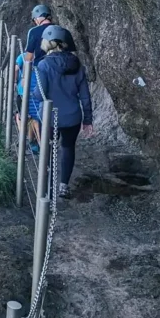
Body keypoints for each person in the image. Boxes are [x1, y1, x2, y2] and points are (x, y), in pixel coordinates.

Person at [31, 25, 94, 199]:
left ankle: (48, 185)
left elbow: (40, 93)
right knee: (68, 148)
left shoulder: (44, 65)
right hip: (73, 116)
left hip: (50, 116)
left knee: (48, 149)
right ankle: (63, 186)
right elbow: (85, 96)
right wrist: (88, 120)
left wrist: (33, 93)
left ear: (47, 43)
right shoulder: (77, 64)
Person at [15, 53, 41, 155]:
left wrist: (14, 82)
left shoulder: (22, 56)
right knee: (35, 118)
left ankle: (25, 140)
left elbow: (15, 69)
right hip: (38, 92)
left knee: (23, 116)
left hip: (23, 92)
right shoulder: (43, 57)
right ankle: (36, 144)